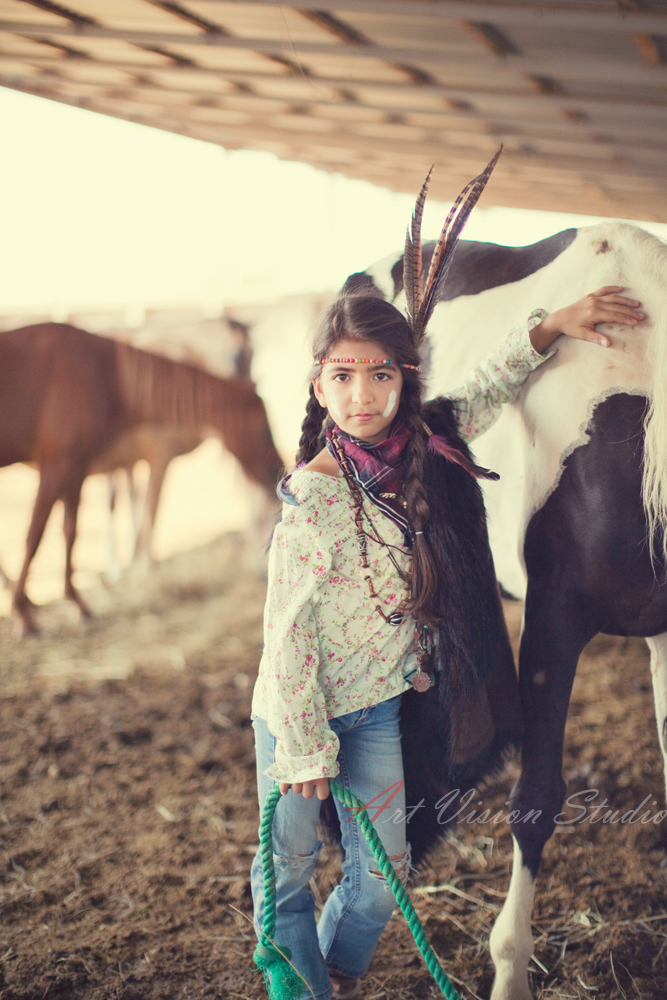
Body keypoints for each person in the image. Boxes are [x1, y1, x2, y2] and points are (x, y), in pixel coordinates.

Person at [249, 161, 645, 1000]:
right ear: (319, 388)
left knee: (385, 862)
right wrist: (305, 746)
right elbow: (283, 639)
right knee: (285, 866)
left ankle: (339, 968)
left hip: (382, 703)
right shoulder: (309, 503)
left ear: (406, 380)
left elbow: (497, 380)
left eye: (382, 376)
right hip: (302, 711)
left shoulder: (429, 441)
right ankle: (299, 985)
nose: (364, 396)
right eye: (344, 378)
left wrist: (551, 325)